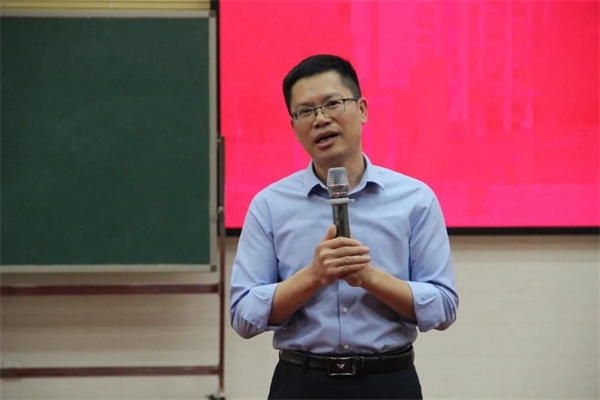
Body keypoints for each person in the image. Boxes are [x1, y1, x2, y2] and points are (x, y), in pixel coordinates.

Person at [230, 54, 459, 399]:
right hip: (301, 382)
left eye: (332, 104)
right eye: (305, 111)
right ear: (294, 126)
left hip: (388, 381)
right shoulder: (270, 205)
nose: (320, 119)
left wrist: (368, 277)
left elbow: (443, 308)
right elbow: (244, 316)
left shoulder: (415, 199)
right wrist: (314, 277)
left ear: (362, 109)